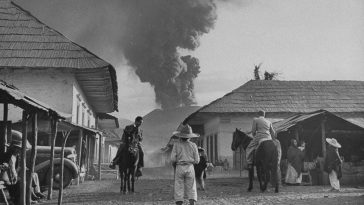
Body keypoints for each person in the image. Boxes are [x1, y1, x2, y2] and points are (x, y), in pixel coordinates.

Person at [0, 130, 44, 204]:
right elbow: (4, 167)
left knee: (31, 174)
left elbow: (18, 167)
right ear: (12, 148)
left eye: (19, 149)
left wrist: (24, 169)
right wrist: (4, 167)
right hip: (8, 178)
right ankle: (28, 198)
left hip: (15, 175)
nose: (18, 150)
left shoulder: (16, 156)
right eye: (17, 148)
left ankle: (34, 193)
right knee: (23, 182)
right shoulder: (6, 156)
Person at [171, 124, 200, 205]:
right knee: (191, 187)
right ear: (189, 136)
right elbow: (197, 160)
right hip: (190, 167)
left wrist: (177, 161)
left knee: (178, 187)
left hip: (179, 167)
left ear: (180, 136)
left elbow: (173, 159)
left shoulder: (176, 145)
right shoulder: (193, 145)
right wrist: (191, 161)